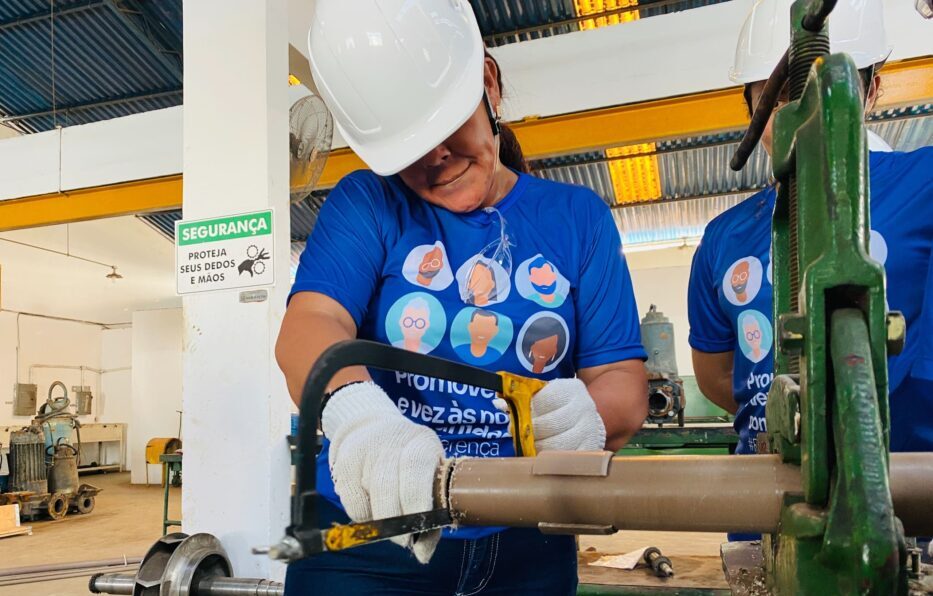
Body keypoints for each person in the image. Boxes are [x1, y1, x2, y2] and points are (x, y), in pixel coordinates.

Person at [275, 1, 649, 593]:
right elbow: (310, 323)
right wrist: (360, 419)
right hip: (370, 537)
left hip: (528, 538)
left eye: (445, 128)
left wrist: (588, 419)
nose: (434, 159)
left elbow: (622, 382)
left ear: (489, 86)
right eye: (407, 149)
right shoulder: (369, 203)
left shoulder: (577, 219)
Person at [688, 0, 933, 518]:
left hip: (898, 509)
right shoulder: (723, 238)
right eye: (775, 96)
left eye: (824, 89)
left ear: (871, 90)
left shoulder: (924, 183)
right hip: (762, 517)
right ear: (750, 105)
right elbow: (717, 377)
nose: (800, 111)